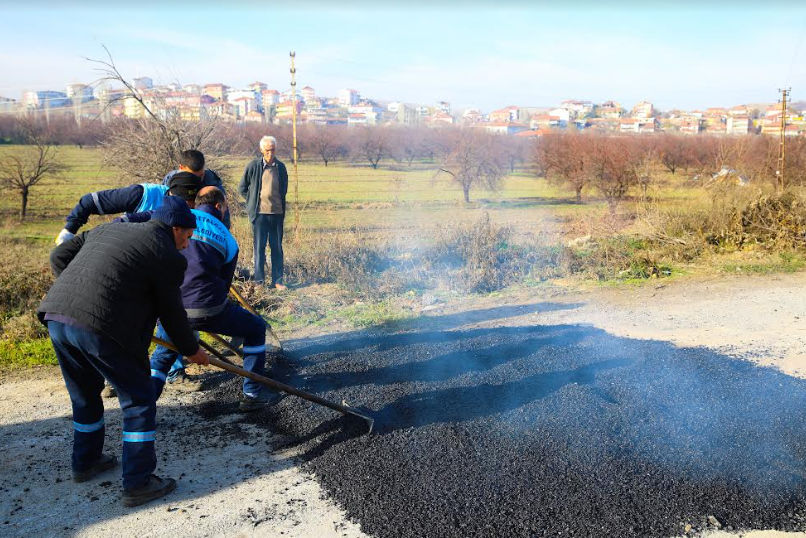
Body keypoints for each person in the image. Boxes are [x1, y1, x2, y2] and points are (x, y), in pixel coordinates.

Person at [38, 196, 210, 507]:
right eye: (187, 235)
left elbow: (59, 255)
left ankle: (86, 462)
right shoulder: (166, 255)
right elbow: (172, 313)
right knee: (140, 398)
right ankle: (138, 482)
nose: (187, 244)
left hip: (57, 317)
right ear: (175, 229)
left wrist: (78, 295)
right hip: (98, 328)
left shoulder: (108, 230)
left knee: (85, 394)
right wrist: (191, 349)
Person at [147, 188, 273, 412]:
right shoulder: (227, 237)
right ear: (218, 206)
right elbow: (223, 287)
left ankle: (145, 406)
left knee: (164, 354)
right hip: (209, 309)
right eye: (225, 206)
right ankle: (252, 394)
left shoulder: (176, 225)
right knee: (255, 328)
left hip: (172, 307)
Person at [54, 172, 202, 245]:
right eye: (188, 202)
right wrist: (69, 230)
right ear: (172, 194)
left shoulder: (197, 212)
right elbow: (89, 202)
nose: (193, 207)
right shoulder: (143, 195)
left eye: (194, 202)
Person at [238, 135, 288, 289]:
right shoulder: (253, 166)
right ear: (261, 150)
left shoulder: (281, 167)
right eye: (267, 150)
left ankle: (277, 281)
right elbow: (242, 188)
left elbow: (283, 189)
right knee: (259, 249)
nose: (270, 153)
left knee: (277, 248)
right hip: (259, 215)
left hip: (277, 214)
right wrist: (252, 202)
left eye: (272, 150)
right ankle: (259, 282)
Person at [162, 149, 230, 228]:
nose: (197, 180)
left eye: (201, 176)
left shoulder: (213, 183)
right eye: (191, 175)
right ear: (181, 167)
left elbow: (224, 215)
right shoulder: (170, 180)